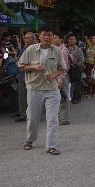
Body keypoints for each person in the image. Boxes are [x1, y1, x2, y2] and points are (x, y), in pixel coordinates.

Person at [18, 26, 66, 155]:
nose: (46, 37)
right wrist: (34, 66)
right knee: (32, 117)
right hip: (35, 88)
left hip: (52, 88)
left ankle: (51, 146)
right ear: (39, 36)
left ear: (52, 37)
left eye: (49, 35)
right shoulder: (31, 49)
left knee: (52, 119)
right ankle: (30, 140)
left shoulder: (57, 51)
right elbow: (21, 66)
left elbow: (62, 68)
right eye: (44, 34)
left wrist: (54, 75)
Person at [15, 32, 36, 122]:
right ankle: (22, 112)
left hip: (31, 75)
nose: (27, 40)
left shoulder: (35, 48)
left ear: (34, 39)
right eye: (26, 38)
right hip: (22, 75)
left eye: (29, 38)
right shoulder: (25, 48)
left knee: (31, 97)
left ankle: (29, 114)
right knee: (22, 96)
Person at [53, 34, 71, 125]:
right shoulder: (54, 49)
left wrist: (60, 79)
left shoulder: (62, 50)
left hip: (62, 77)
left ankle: (64, 118)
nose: (53, 39)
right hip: (56, 76)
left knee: (63, 97)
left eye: (55, 38)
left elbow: (64, 67)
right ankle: (60, 117)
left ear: (61, 39)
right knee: (58, 98)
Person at [65, 33, 85, 105]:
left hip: (75, 70)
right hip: (66, 70)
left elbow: (82, 60)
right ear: (67, 40)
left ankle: (75, 98)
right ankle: (67, 99)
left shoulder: (78, 49)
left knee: (75, 84)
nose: (72, 41)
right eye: (70, 39)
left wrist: (77, 65)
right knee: (67, 85)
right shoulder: (65, 48)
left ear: (76, 40)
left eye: (73, 39)